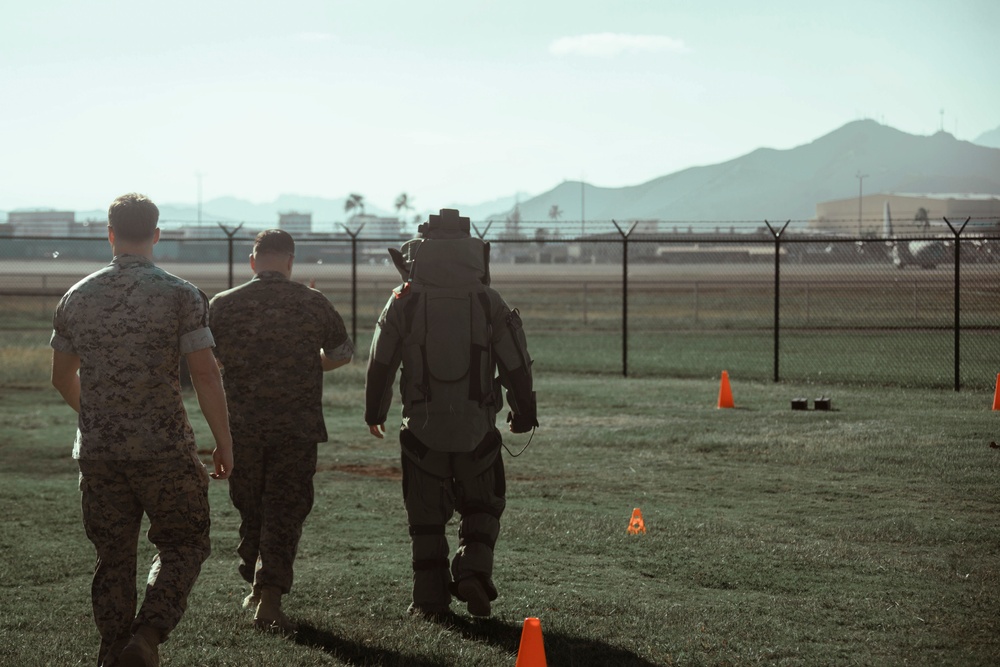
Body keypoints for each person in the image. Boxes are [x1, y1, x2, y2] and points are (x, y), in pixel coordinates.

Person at [50, 192, 234, 667]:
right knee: (185, 541)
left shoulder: (76, 296)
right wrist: (224, 441)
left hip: (98, 451)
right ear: (156, 234)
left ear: (109, 234)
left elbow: (60, 377)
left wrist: (94, 416)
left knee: (112, 559)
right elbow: (206, 373)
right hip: (164, 449)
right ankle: (147, 635)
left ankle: (114, 652)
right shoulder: (181, 294)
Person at [365, 209, 537, 618]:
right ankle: (474, 572)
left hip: (421, 432)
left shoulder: (403, 299)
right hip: (477, 430)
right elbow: (516, 364)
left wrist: (375, 411)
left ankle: (429, 601)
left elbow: (380, 361)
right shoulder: (488, 300)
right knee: (483, 507)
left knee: (425, 521)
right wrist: (524, 413)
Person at [209, 228, 353, 634]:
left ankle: (258, 586)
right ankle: (268, 596)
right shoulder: (312, 302)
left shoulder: (223, 305)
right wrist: (308, 362)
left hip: (242, 428)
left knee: (250, 507)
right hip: (297, 427)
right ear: (290, 261)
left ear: (253, 262)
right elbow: (341, 353)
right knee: (284, 511)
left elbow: (208, 361)